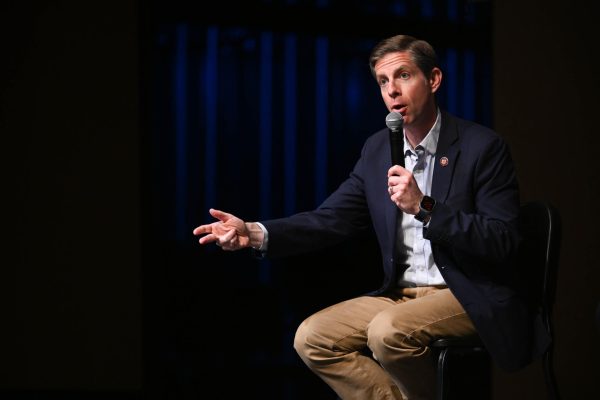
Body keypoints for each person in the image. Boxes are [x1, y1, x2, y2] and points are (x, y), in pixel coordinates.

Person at [193, 34, 549, 399]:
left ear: (434, 79)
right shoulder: (379, 148)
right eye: (383, 82)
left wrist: (424, 207)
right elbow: (331, 218)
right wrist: (253, 233)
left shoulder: (481, 147)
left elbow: (503, 240)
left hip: (467, 291)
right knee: (312, 338)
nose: (392, 91)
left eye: (404, 76)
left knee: (386, 332)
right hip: (400, 296)